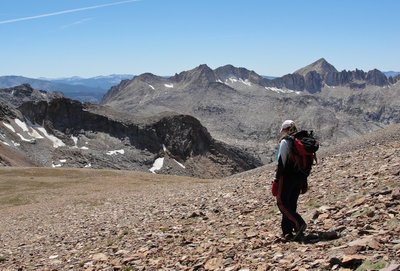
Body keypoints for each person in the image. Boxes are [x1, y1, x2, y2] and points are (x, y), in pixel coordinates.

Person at [271, 120, 307, 241]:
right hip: (299, 177)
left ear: (286, 130)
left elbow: (281, 162)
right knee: (291, 203)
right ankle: (288, 231)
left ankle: (299, 223)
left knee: (282, 203)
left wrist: (276, 180)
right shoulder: (301, 141)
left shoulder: (286, 142)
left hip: (286, 177)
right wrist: (304, 182)